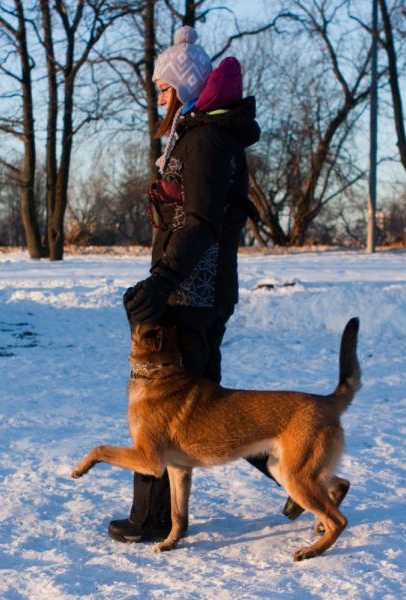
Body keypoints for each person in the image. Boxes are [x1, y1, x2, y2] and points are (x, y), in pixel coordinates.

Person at [110, 26, 281, 543]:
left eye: (164, 88)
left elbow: (201, 221)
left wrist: (163, 280)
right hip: (192, 287)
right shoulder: (196, 133)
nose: (159, 98)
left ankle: (152, 518)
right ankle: (302, 477)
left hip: (193, 291)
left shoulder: (205, 139)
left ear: (184, 87)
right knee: (210, 412)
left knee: (164, 407)